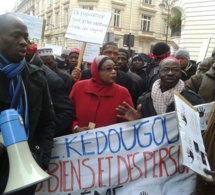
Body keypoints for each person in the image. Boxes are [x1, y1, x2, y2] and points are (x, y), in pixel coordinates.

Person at [0, 13, 55, 194]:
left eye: (26, 37)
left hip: (25, 171)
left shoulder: (37, 77)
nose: (24, 42)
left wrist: (41, 158)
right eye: (16, 36)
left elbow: (47, 121)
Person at [116, 56, 204, 120]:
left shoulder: (193, 100)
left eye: (175, 70)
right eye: (165, 69)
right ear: (158, 73)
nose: (170, 73)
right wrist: (137, 121)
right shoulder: (144, 101)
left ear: (180, 74)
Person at [69, 55, 134, 133]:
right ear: (96, 70)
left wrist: (133, 121)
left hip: (109, 142)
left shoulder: (122, 92)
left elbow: (126, 125)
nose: (114, 72)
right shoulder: (79, 87)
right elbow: (68, 114)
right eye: (108, 69)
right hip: (81, 142)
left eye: (115, 68)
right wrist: (75, 127)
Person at [26, 46, 75, 137]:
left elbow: (66, 111)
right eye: (45, 63)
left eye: (50, 63)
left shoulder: (58, 79)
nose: (48, 66)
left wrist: (43, 131)